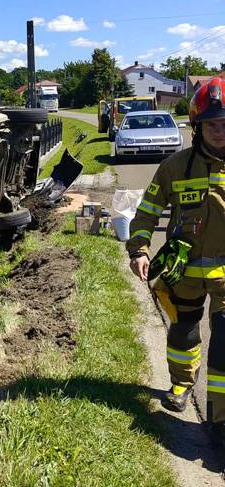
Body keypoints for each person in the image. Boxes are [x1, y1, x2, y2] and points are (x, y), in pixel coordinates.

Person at [127, 77, 225, 442]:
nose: (220, 131)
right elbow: (147, 212)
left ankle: (219, 417)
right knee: (183, 332)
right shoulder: (175, 167)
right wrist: (139, 249)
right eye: (212, 125)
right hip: (183, 271)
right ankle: (182, 385)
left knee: (224, 342)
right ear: (197, 127)